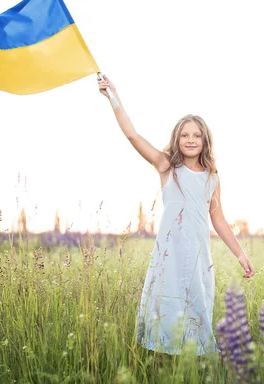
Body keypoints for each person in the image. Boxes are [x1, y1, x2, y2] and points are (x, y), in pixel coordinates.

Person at [98, 75, 255, 356]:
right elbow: (132, 134)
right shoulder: (166, 166)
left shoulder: (212, 178)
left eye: (196, 135)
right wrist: (113, 96)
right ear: (177, 138)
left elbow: (218, 220)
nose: (190, 140)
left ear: (205, 140)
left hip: (197, 256)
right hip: (168, 254)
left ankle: (195, 364)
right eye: (185, 135)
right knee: (166, 308)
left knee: (197, 307)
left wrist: (240, 254)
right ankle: (163, 362)